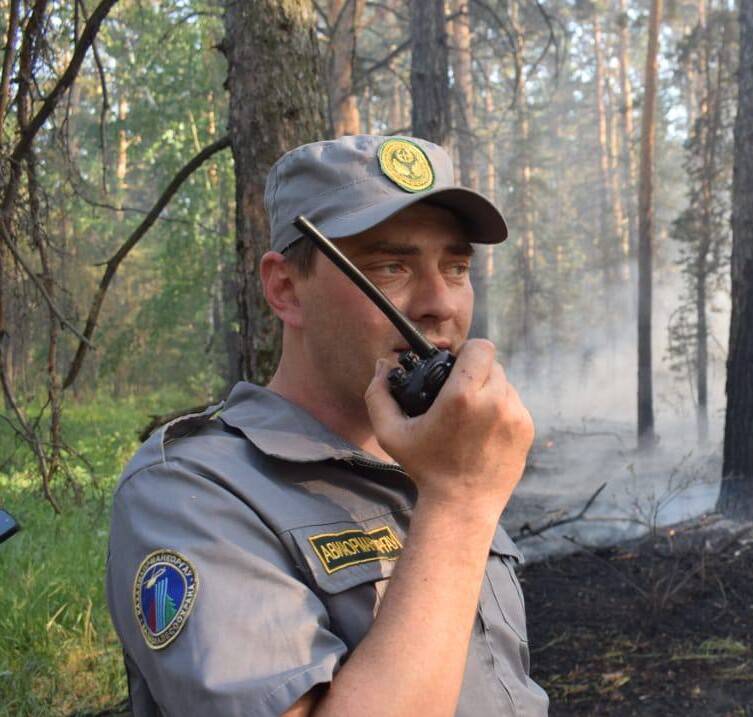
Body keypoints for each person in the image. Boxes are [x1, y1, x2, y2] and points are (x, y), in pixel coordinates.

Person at [104, 135, 549, 717]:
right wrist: (460, 505)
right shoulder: (189, 494)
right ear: (286, 290)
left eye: (457, 266)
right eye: (393, 266)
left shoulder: (436, 459)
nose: (441, 304)